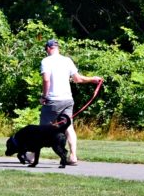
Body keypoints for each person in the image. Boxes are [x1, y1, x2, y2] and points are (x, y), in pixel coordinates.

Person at [39, 38, 102, 166]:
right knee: (68, 126)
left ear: (48, 48)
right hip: (67, 100)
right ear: (57, 48)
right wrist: (92, 79)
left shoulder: (46, 61)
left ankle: (32, 155)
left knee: (43, 129)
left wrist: (44, 96)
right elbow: (78, 79)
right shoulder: (67, 60)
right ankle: (73, 156)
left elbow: (46, 80)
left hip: (53, 100)